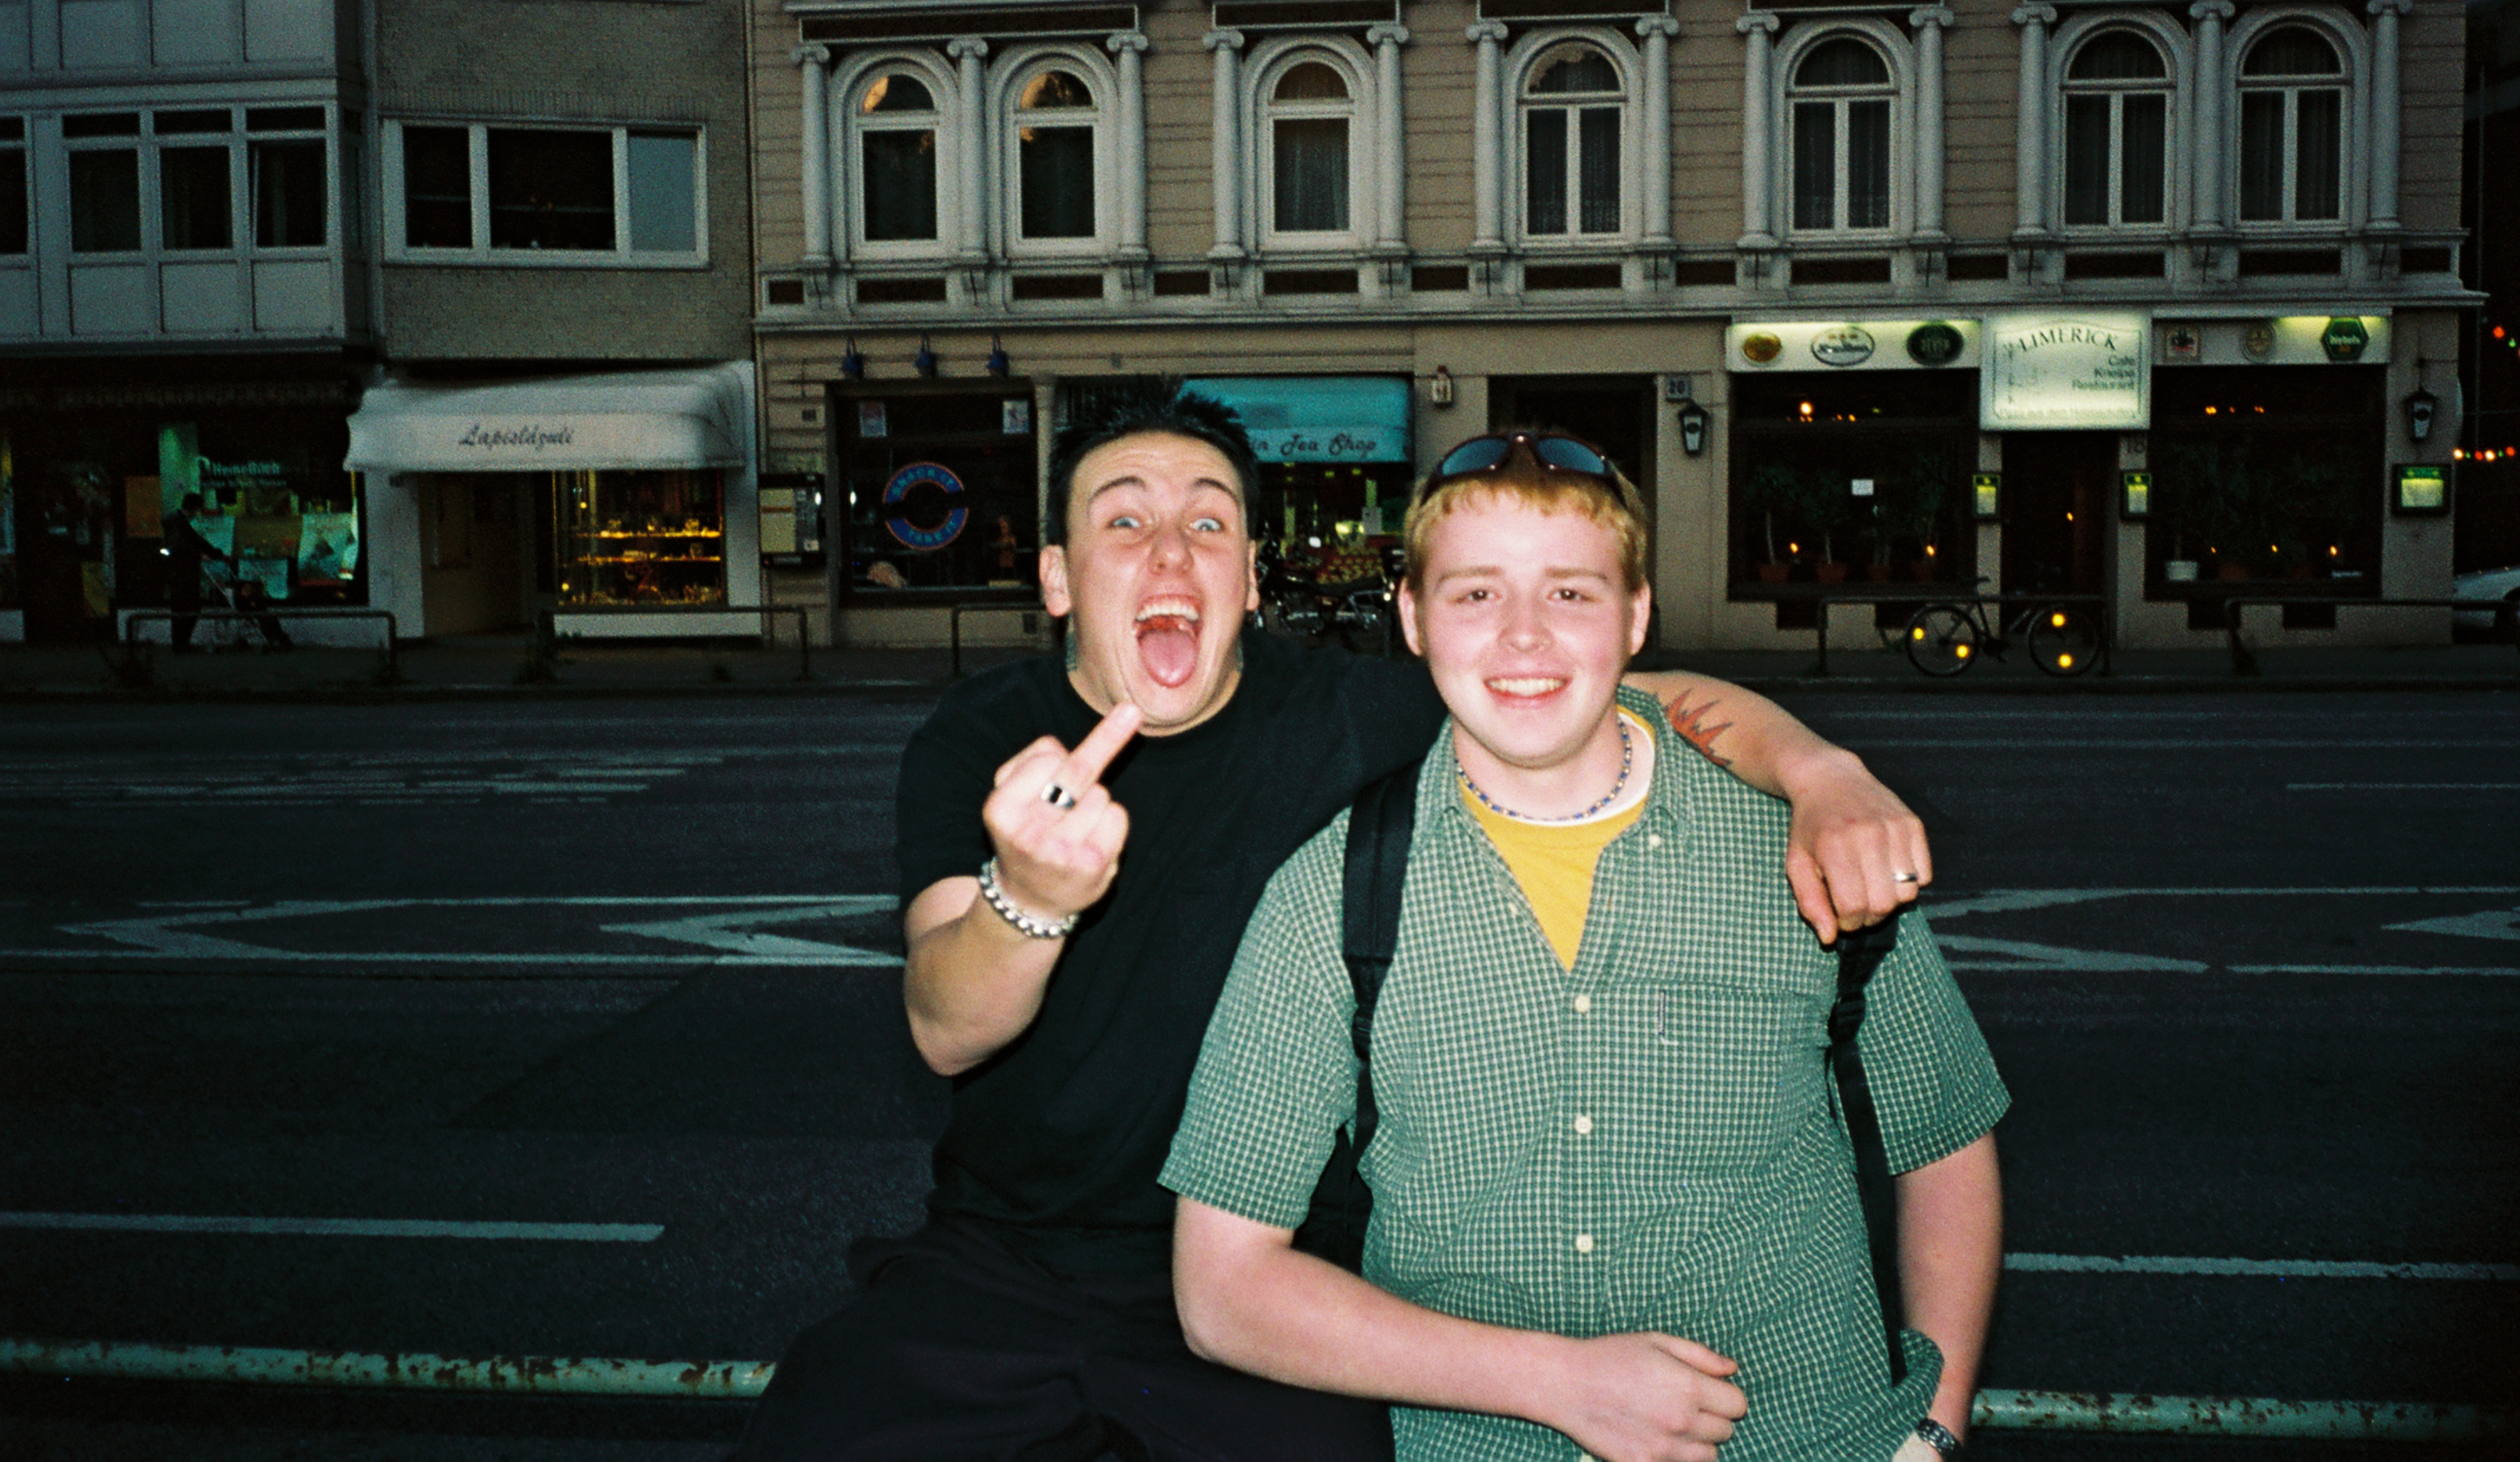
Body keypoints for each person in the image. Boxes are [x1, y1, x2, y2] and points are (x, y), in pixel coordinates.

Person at [732, 387, 1937, 1462]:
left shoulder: (1352, 712)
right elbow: (946, 1026)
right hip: (1007, 1263)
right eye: (1124, 520)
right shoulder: (983, 738)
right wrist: (1032, 899)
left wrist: (1822, 773)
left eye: (1209, 522)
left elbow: (1620, 694)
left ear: (1251, 579)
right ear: (1056, 577)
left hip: (1288, 1273)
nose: (1171, 548)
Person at [1162, 434, 2006, 1462]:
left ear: (1637, 615)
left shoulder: (1798, 844)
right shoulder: (1331, 894)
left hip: (1812, 1437)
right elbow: (1222, 1288)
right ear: (1414, 618)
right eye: (1476, 595)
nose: (1524, 636)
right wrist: (1558, 1382)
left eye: (1570, 594)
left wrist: (1935, 1429)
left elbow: (1945, 1134)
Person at [163, 492, 225, 653]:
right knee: (190, 606)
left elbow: (194, 540)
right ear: (193, 508)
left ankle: (181, 643)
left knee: (182, 608)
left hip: (178, 573)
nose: (197, 514)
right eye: (197, 510)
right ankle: (182, 643)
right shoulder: (179, 523)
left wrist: (214, 553)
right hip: (184, 573)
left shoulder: (176, 521)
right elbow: (190, 543)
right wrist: (207, 554)